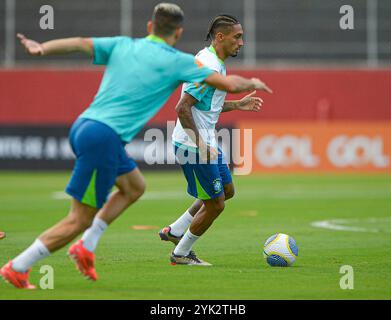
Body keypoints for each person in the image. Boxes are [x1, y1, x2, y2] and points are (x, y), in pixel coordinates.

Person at [0, 3, 270, 289]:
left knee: (134, 187)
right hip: (103, 137)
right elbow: (225, 83)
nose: (241, 42)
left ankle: (87, 246)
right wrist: (251, 81)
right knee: (78, 219)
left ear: (150, 27)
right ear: (178, 32)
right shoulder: (179, 62)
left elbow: (79, 44)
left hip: (85, 125)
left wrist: (41, 47)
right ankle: (18, 267)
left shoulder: (122, 44)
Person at [159, 14, 272, 265]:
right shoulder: (208, 66)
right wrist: (200, 146)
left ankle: (175, 231)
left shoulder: (215, 62)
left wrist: (237, 104)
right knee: (216, 204)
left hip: (205, 142)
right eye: (237, 37)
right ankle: (181, 254)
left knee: (227, 191)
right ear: (220, 37)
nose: (241, 43)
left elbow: (206, 107)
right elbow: (182, 108)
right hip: (194, 145)